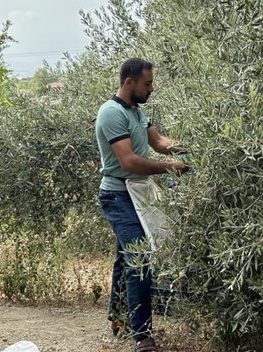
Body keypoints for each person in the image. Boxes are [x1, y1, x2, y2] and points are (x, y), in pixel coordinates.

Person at [95, 57, 189, 352]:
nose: (152, 88)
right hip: (117, 195)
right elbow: (130, 161)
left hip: (138, 193)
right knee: (140, 257)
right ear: (129, 82)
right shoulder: (111, 113)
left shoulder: (137, 111)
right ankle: (142, 336)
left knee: (127, 256)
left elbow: (159, 141)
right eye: (147, 83)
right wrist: (170, 167)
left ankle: (119, 319)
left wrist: (191, 147)